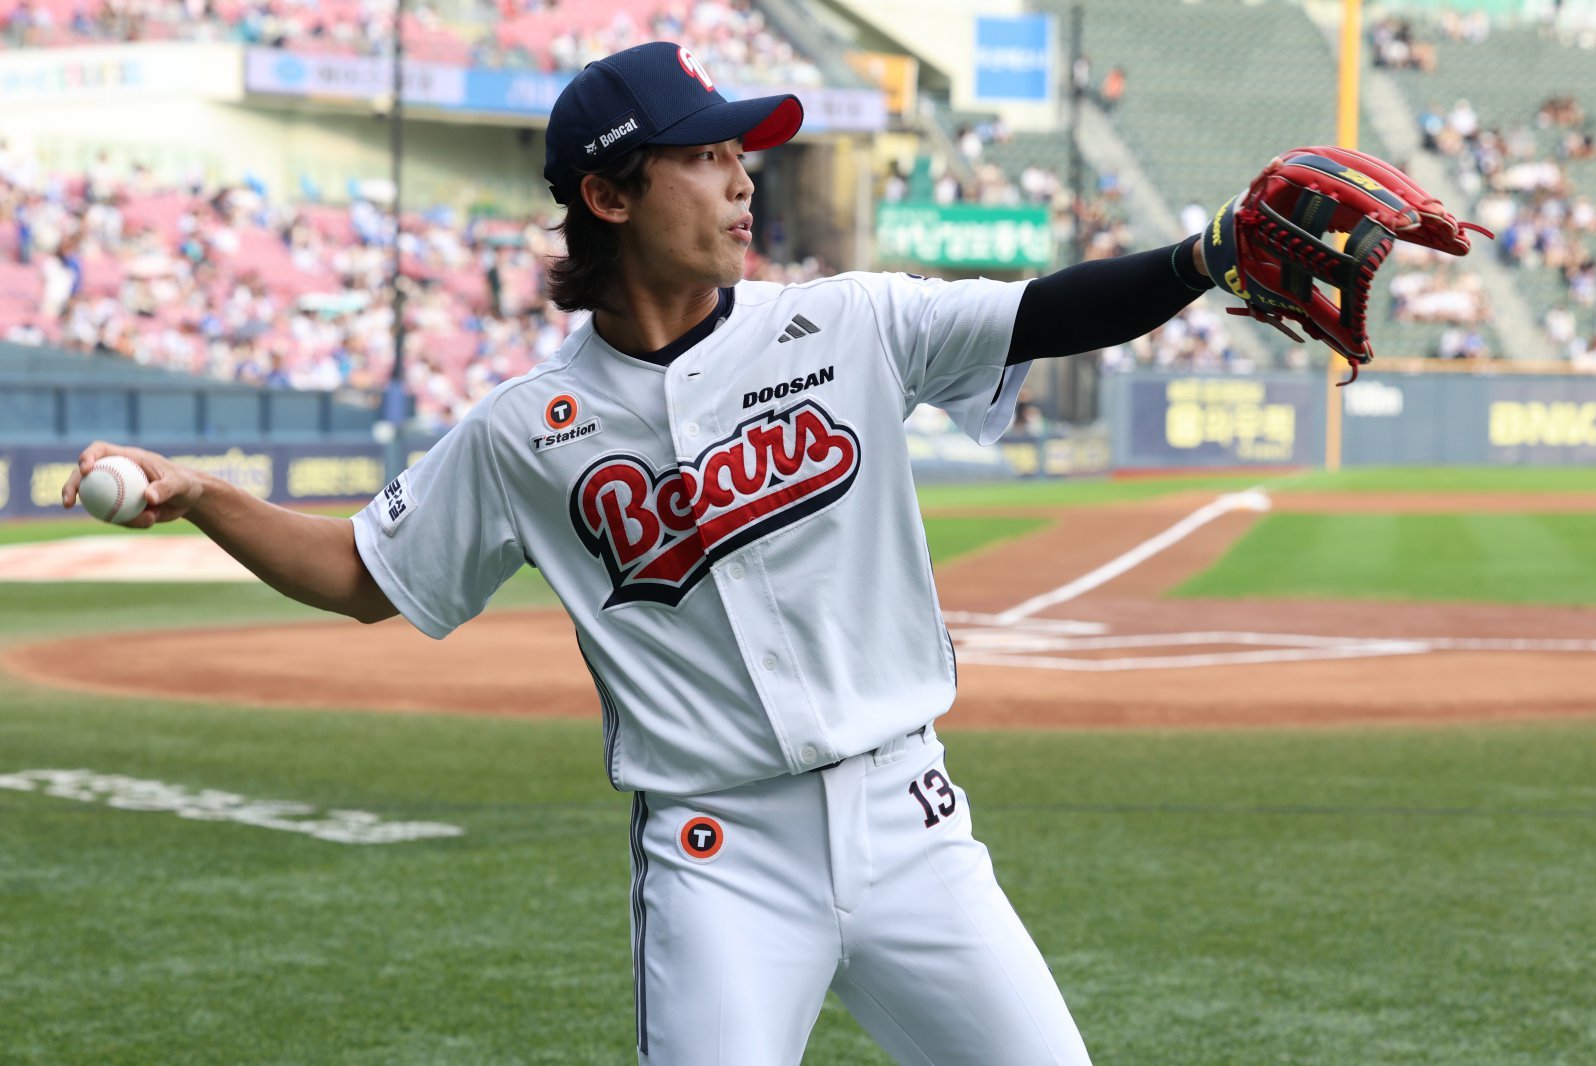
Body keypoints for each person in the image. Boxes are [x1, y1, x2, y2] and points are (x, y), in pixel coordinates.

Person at [63, 41, 1218, 1065]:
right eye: (705, 155)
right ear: (609, 194)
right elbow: (365, 576)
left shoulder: (847, 322)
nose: (740, 177)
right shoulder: (525, 427)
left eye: (739, 154)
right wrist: (208, 494)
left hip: (910, 824)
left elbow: (1051, 312)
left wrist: (1204, 257)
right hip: (720, 858)